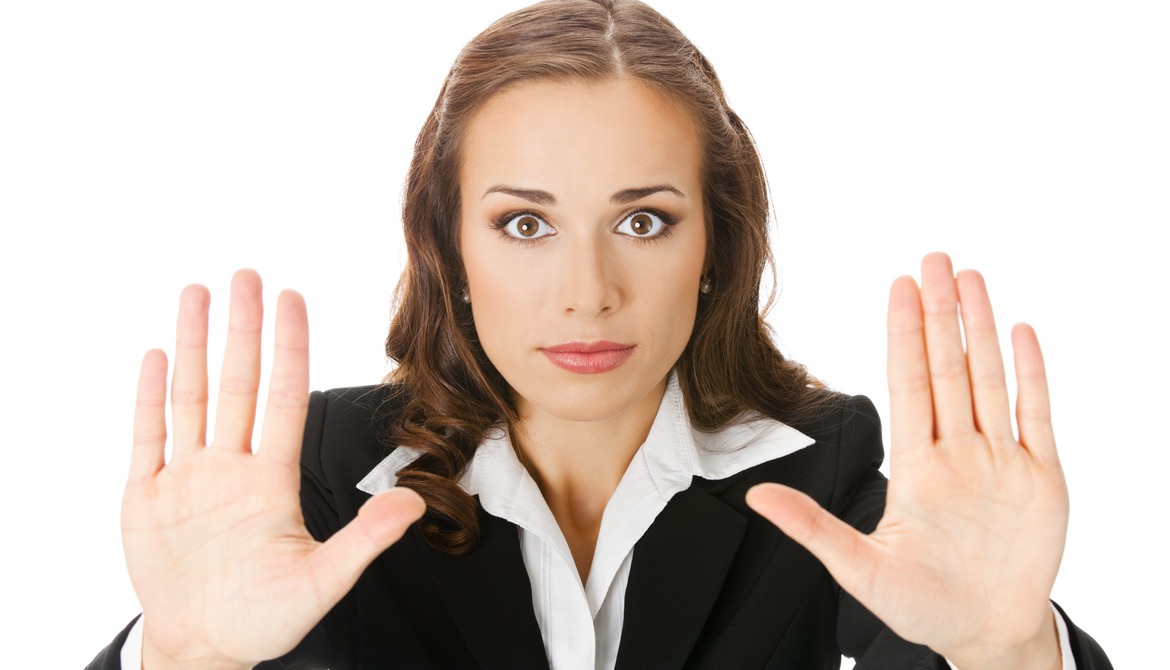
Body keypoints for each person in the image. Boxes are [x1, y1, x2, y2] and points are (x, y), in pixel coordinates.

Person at [87, 0, 1112, 668]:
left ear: (714, 244)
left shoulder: (826, 467)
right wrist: (184, 655)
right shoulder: (316, 477)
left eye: (643, 221)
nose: (587, 292)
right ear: (449, 247)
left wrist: (1009, 648)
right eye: (524, 223)